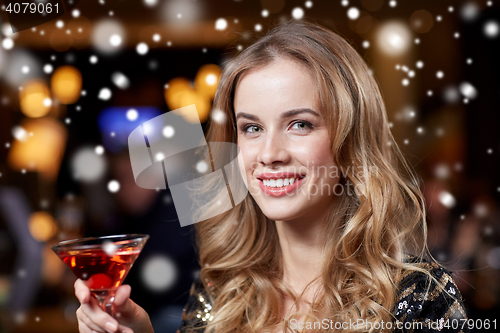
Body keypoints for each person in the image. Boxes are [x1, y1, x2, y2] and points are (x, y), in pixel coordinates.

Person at [74, 20, 469, 333]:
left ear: (350, 139)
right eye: (252, 128)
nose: (269, 155)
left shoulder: (418, 297)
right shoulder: (221, 292)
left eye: (299, 124)